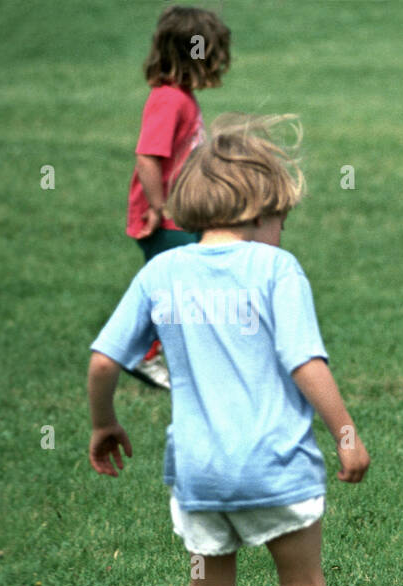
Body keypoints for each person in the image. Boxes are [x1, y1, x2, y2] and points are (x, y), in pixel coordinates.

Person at [88, 115, 371, 586]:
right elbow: (306, 362)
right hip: (278, 470)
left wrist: (105, 423)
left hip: (199, 477)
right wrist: (347, 434)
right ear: (256, 212)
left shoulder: (162, 272)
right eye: (279, 219)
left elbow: (105, 362)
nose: (281, 234)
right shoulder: (276, 268)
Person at [125, 5, 233, 390]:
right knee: (178, 287)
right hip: (168, 219)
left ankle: (171, 353)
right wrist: (160, 207)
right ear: (193, 54)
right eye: (212, 54)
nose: (219, 64)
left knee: (184, 287)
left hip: (182, 214)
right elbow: (148, 155)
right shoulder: (169, 99)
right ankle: (142, 350)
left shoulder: (181, 97)